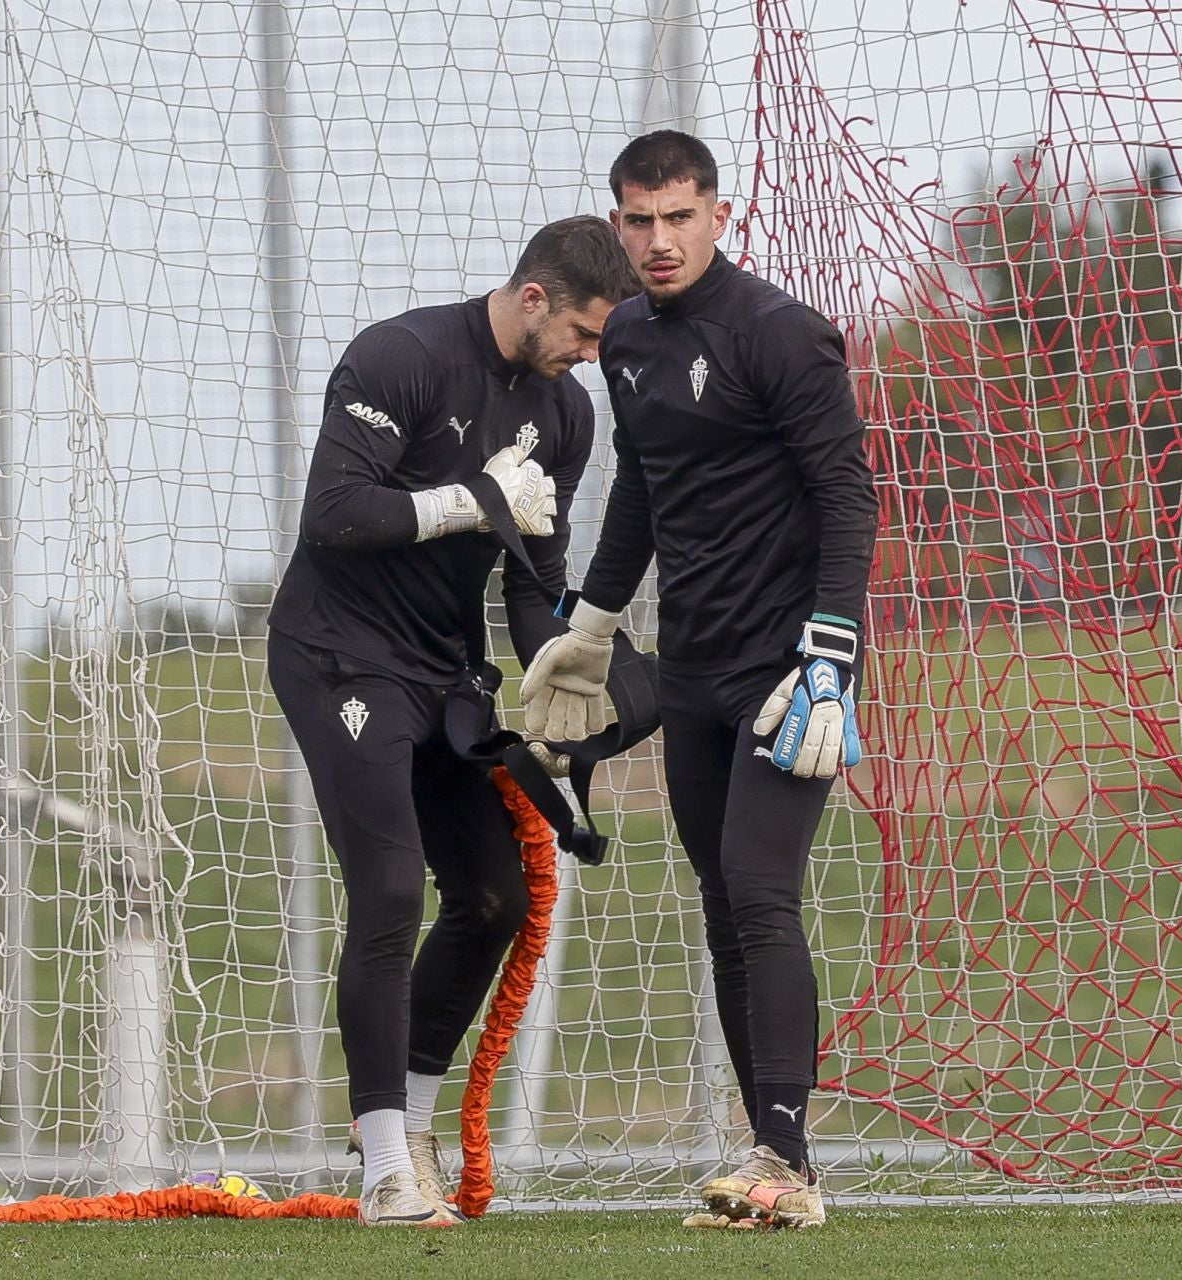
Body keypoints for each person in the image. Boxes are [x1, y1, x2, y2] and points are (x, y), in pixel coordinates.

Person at [522, 132, 878, 1230]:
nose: (659, 240)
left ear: (719, 214)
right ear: (617, 224)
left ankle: (786, 1157)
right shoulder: (622, 334)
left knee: (761, 891)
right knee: (724, 905)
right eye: (639, 220)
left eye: (679, 216)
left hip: (787, 672)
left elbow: (848, 500)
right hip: (694, 670)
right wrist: (589, 620)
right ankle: (775, 1149)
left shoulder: (780, 334)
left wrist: (829, 656)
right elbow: (643, 486)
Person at [265, 216, 643, 1227]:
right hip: (335, 651)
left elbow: (534, 575)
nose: (592, 357)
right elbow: (336, 516)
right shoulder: (404, 356)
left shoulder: (567, 416)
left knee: (498, 895)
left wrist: (569, 661)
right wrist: (472, 496)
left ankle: (411, 1130)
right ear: (533, 300)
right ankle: (383, 1170)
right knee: (388, 887)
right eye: (586, 333)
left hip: (443, 669)